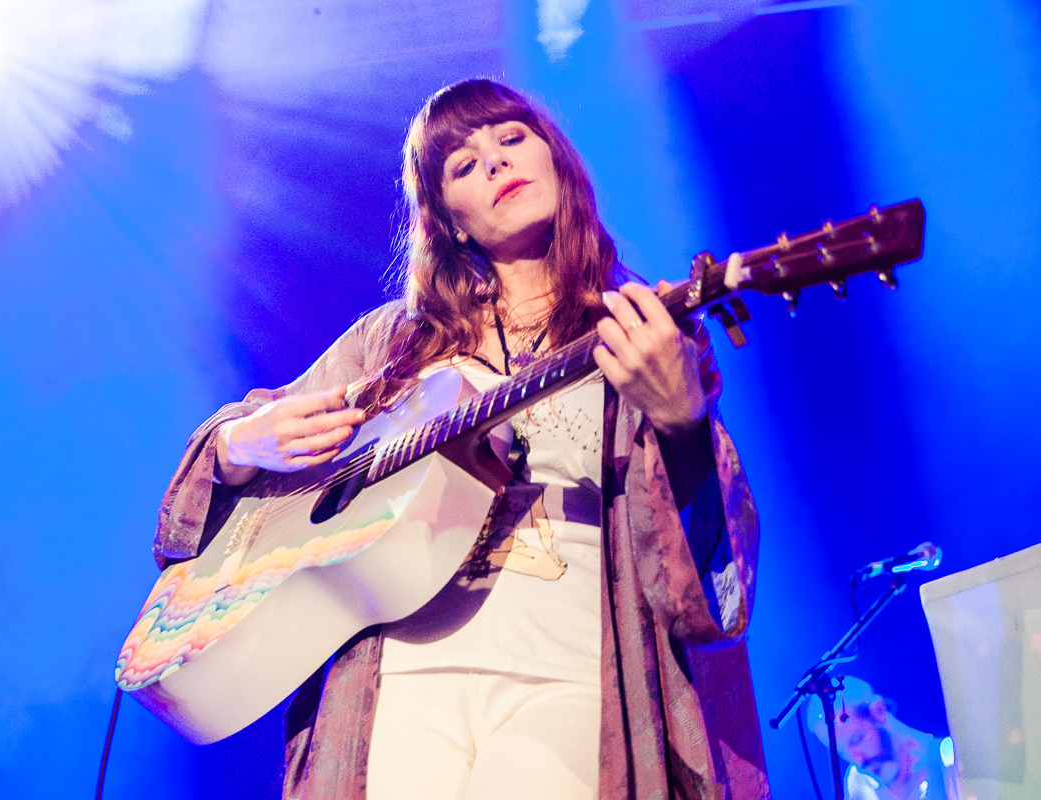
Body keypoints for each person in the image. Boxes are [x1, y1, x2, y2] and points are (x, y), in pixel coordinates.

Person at [153, 78, 765, 799]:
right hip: (396, 680)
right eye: (465, 164)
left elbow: (710, 588)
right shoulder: (390, 345)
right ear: (453, 223)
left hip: (569, 671)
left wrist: (683, 423)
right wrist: (240, 443)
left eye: (511, 140)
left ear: (559, 164)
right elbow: (229, 483)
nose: (497, 163)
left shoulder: (640, 328)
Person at [807, 677, 958, 800]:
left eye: (858, 739)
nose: (858, 759)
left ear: (878, 712)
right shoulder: (858, 782)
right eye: (842, 752)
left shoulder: (949, 760)